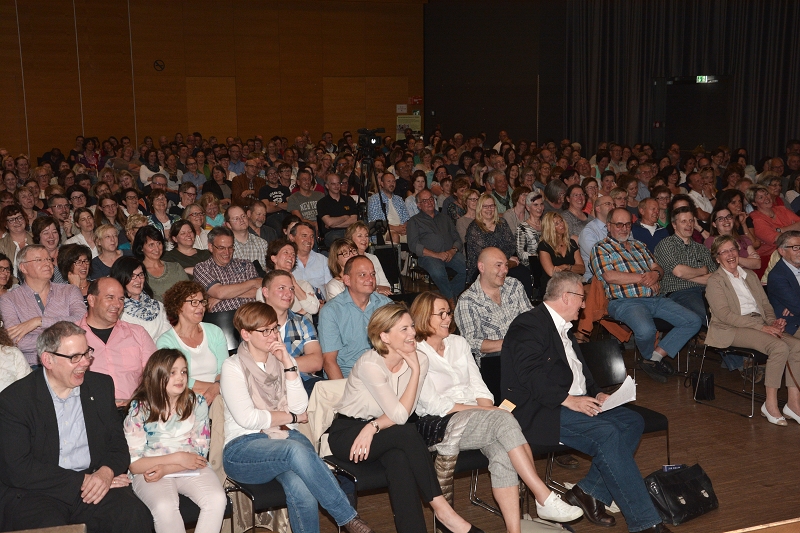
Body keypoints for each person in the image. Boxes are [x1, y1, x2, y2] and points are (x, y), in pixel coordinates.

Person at [501, 272, 673, 533]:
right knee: (608, 435)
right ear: (567, 297)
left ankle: (588, 491)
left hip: (574, 401)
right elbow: (530, 375)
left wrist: (597, 393)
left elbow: (580, 372)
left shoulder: (564, 327)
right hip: (542, 408)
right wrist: (569, 400)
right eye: (581, 298)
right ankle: (646, 523)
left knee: (632, 421)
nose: (584, 305)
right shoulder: (529, 324)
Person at [410, 292, 583, 530]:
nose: (447, 318)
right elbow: (434, 405)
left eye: (448, 313)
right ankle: (543, 496)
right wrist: (487, 412)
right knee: (505, 420)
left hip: (480, 419)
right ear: (422, 317)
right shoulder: (415, 353)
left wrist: (486, 409)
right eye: (440, 314)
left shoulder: (458, 343)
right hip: (443, 424)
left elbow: (480, 386)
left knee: (503, 453)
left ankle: (515, 530)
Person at [327, 303, 484, 533]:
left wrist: (374, 426)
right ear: (384, 336)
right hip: (349, 434)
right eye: (404, 329)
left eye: (411, 326)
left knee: (400, 461)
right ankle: (443, 511)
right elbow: (401, 416)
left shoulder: (419, 359)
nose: (412, 333)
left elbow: (405, 413)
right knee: (407, 432)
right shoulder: (370, 364)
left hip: (384, 432)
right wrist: (371, 426)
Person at [220, 302, 375, 533]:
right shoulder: (232, 366)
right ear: (246, 334)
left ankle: (345, 518)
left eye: (274, 328)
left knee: (302, 488)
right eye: (265, 331)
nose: (273, 335)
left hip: (282, 441)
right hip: (242, 450)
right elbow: (248, 419)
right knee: (297, 447)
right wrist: (291, 416)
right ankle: (348, 518)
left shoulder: (283, 361)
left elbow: (301, 405)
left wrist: (288, 366)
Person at [0, 321, 152, 532]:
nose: (85, 363)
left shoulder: (100, 387)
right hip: (38, 491)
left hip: (94, 483)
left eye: (87, 353)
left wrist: (106, 472)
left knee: (133, 515)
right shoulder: (15, 400)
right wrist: (82, 480)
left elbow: (117, 444)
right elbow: (18, 469)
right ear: (48, 360)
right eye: (74, 357)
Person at [591, 208, 702, 383]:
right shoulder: (601, 248)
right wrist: (644, 278)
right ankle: (652, 359)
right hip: (625, 302)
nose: (624, 228)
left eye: (627, 224)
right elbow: (609, 276)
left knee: (694, 321)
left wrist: (656, 275)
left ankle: (652, 359)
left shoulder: (639, 246)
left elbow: (658, 268)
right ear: (608, 226)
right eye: (619, 224)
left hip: (655, 299)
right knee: (646, 330)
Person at [124, 348, 226, 533]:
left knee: (217, 499)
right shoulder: (140, 408)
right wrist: (177, 458)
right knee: (165, 506)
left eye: (183, 371)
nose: (180, 377)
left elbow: (200, 453)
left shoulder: (197, 403)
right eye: (172, 373)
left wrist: (170, 468)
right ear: (157, 375)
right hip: (149, 469)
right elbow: (134, 464)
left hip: (190, 466)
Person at [706, 235, 800, 426]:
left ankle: (793, 403)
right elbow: (725, 315)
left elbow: (765, 305)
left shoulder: (750, 276)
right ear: (717, 258)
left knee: (797, 346)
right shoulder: (715, 281)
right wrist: (762, 327)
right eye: (724, 252)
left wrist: (774, 323)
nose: (730, 255)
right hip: (731, 328)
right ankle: (770, 404)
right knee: (779, 347)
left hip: (758, 324)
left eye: (732, 249)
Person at [0, 244, 86, 367]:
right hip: (32, 366)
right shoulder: (9, 299)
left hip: (69, 362)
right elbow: (16, 341)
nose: (47, 264)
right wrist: (63, 338)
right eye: (39, 260)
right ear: (23, 268)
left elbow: (81, 320)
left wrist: (39, 322)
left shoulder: (70, 290)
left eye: (48, 259)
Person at [78, 277, 156, 407]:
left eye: (121, 299)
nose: (118, 304)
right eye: (110, 297)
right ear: (91, 300)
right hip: (90, 411)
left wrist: (137, 404)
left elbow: (155, 376)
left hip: (133, 411)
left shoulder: (138, 333)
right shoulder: (72, 336)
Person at [318, 255, 392, 379]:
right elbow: (329, 361)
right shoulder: (331, 311)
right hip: (349, 377)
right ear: (347, 280)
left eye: (373, 274)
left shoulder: (386, 305)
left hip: (383, 373)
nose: (370, 279)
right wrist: (345, 394)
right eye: (362, 275)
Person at [454, 247, 532, 363]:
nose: (505, 270)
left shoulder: (514, 286)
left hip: (524, 352)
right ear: (482, 267)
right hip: (494, 360)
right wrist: (510, 343)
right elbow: (471, 342)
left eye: (506, 265)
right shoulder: (468, 301)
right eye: (498, 265)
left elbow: (530, 318)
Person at [157, 282, 228, 405]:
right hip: (185, 395)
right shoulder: (166, 342)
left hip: (220, 391)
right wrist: (214, 388)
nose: (200, 307)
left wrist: (217, 387)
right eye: (194, 302)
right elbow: (173, 378)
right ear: (178, 306)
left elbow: (225, 368)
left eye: (202, 302)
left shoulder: (214, 331)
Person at [261, 270, 324, 395]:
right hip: (265, 386)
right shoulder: (254, 323)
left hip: (302, 382)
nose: (288, 293)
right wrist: (294, 364)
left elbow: (316, 362)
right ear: (265, 292)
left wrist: (280, 363)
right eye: (281, 288)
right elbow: (255, 365)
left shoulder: (302, 322)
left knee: (328, 392)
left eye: (291, 289)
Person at [653, 205, 717, 322]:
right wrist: (703, 271)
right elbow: (679, 272)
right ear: (674, 225)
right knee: (711, 317)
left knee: (728, 311)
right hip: (679, 293)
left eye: (691, 221)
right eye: (683, 221)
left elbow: (714, 277)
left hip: (706, 291)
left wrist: (687, 276)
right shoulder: (666, 245)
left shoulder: (701, 248)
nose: (689, 225)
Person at [465, 194, 532, 297]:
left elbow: (511, 244)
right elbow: (484, 254)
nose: (489, 209)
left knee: (524, 274)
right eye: (485, 206)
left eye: (491, 206)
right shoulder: (473, 228)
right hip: (483, 268)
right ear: (479, 208)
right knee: (502, 278)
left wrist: (505, 261)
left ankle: (524, 308)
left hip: (505, 263)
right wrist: (506, 260)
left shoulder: (502, 223)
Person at [408, 189, 467, 301]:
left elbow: (457, 239)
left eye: (431, 199)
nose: (430, 202)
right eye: (425, 201)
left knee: (468, 268)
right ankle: (450, 300)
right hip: (429, 256)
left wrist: (452, 250)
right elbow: (413, 245)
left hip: (450, 253)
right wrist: (436, 255)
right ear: (419, 205)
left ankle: (446, 296)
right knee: (439, 273)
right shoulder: (414, 221)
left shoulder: (445, 218)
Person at [193, 226, 261, 313]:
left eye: (230, 247)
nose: (227, 252)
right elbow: (219, 292)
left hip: (251, 315)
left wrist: (222, 297)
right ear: (210, 247)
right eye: (221, 248)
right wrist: (253, 283)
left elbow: (257, 291)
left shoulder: (246, 264)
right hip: (222, 319)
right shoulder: (202, 268)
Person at [110, 256, 171, 341]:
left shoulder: (158, 306)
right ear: (121, 278)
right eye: (132, 276)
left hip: (163, 352)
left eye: (141, 275)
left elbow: (169, 337)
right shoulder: (118, 312)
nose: (138, 280)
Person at [264, 238, 320, 315]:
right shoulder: (266, 289)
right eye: (286, 252)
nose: (291, 256)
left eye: (293, 254)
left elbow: (314, 309)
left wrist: (294, 284)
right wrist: (302, 311)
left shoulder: (304, 285)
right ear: (274, 258)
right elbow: (270, 317)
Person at [133, 226, 189, 302]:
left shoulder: (175, 267)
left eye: (159, 243)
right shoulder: (138, 273)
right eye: (151, 245)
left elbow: (189, 292)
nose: (157, 249)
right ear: (141, 248)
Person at [748, 184, 800, 262]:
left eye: (766, 194)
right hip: (771, 257)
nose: (766, 198)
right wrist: (794, 228)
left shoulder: (781, 209)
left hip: (792, 250)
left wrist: (781, 230)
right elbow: (779, 240)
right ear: (754, 203)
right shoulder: (756, 218)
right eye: (761, 197)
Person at [537, 212, 584, 298]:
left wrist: (566, 267)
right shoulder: (544, 246)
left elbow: (582, 268)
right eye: (556, 224)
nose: (561, 224)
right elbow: (552, 272)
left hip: (573, 282)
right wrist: (572, 269)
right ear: (550, 228)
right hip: (553, 286)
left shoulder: (572, 243)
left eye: (561, 221)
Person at [705, 205, 761, 271]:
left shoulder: (744, 239)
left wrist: (731, 260)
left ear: (733, 220)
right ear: (714, 224)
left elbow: (757, 264)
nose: (726, 220)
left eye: (728, 217)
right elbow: (722, 267)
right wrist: (746, 260)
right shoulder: (711, 241)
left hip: (748, 278)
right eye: (721, 219)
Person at [344, 221, 393, 295]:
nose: (364, 239)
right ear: (350, 239)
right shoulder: (348, 260)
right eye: (360, 236)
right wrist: (376, 289)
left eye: (366, 236)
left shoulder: (373, 258)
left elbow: (387, 287)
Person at [290, 221, 332, 298]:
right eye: (304, 236)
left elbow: (330, 289)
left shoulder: (323, 260)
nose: (309, 240)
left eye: (312, 236)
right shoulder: (286, 261)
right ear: (292, 237)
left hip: (321, 305)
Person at [367, 172, 410, 244]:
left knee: (420, 234)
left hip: (401, 229)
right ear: (382, 184)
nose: (392, 184)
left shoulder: (399, 199)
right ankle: (396, 255)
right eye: (389, 181)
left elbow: (406, 219)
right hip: (384, 232)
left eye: (393, 181)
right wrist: (396, 229)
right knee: (394, 236)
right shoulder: (375, 199)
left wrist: (404, 229)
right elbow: (377, 224)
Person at [226, 204, 270, 274]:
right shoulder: (225, 247)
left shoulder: (262, 243)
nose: (241, 220)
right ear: (228, 225)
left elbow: (268, 270)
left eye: (243, 216)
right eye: (236, 218)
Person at [316, 173, 358, 247]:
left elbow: (354, 220)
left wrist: (334, 225)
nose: (336, 186)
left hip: (349, 231)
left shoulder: (349, 200)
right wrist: (345, 217)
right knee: (340, 243)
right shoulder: (322, 203)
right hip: (332, 233)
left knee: (360, 238)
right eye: (333, 184)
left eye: (338, 183)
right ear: (327, 186)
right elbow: (329, 222)